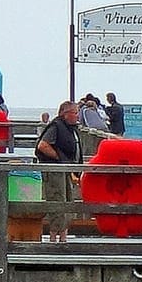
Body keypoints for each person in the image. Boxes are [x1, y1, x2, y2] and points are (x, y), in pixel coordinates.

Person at [34, 101, 83, 243]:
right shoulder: (56, 126)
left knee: (68, 201)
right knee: (57, 201)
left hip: (66, 170)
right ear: (66, 114)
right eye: (75, 113)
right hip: (55, 171)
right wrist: (59, 158)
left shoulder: (70, 128)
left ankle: (63, 237)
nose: (77, 116)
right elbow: (42, 145)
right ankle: (54, 239)